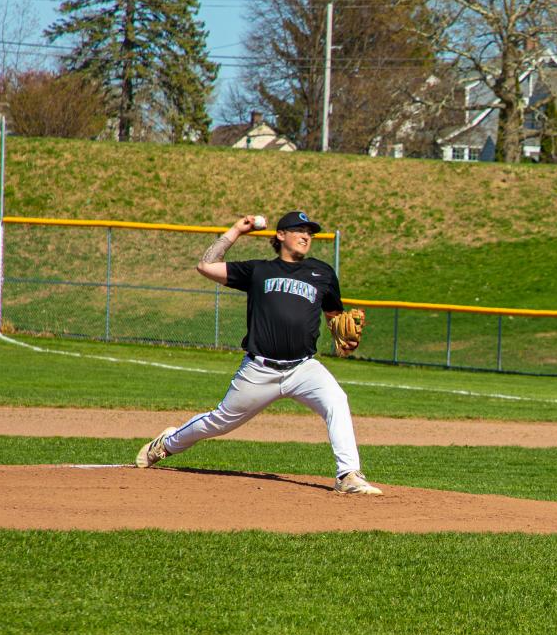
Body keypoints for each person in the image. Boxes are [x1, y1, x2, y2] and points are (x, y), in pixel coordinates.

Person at [134, 211, 381, 495]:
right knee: (219, 421)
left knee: (337, 400)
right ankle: (166, 444)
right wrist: (237, 230)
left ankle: (348, 475)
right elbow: (206, 265)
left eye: (309, 233)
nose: (305, 236)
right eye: (299, 230)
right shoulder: (259, 271)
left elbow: (335, 318)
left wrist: (347, 340)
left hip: (303, 368)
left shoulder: (322, 273)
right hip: (259, 369)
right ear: (280, 235)